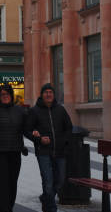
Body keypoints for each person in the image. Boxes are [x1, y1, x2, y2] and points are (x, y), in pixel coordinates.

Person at [30, 83, 72, 212]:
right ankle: (50, 208)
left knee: (59, 181)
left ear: (53, 95)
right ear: (42, 95)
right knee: (48, 182)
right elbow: (27, 129)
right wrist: (38, 138)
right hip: (43, 152)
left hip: (60, 151)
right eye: (46, 92)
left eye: (50, 92)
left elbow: (69, 128)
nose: (48, 94)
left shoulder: (60, 109)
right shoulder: (34, 111)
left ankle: (46, 198)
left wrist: (63, 141)